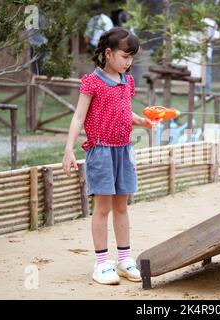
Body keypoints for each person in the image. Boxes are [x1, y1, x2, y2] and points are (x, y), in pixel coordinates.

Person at [62, 27, 152, 285]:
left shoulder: (127, 82)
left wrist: (141, 121)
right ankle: (102, 264)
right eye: (125, 56)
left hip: (124, 149)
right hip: (100, 151)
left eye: (132, 57)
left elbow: (124, 113)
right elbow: (79, 117)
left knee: (122, 206)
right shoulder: (92, 81)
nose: (129, 62)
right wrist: (68, 149)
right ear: (109, 53)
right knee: (102, 208)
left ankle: (124, 260)